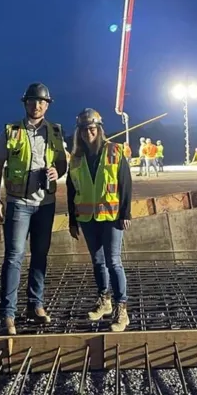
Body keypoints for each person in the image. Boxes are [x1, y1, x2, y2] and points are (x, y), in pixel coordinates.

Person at [0, 82, 68, 336]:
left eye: (41, 102)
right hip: (18, 203)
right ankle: (8, 313)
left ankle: (36, 305)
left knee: (40, 256)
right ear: (25, 104)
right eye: (32, 101)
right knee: (14, 257)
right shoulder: (11, 131)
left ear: (47, 105)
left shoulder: (55, 132)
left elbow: (63, 165)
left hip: (45, 204)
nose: (37, 105)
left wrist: (58, 172)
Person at [67, 108, 133, 332]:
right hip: (87, 218)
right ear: (79, 133)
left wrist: (126, 212)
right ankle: (104, 301)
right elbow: (70, 189)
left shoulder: (114, 151)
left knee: (113, 262)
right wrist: (72, 221)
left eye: (92, 129)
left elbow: (125, 183)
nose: (88, 133)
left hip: (111, 216)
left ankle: (121, 310)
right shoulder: (75, 159)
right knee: (98, 262)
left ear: (99, 129)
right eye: (84, 130)